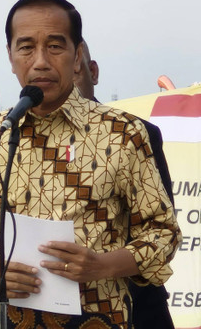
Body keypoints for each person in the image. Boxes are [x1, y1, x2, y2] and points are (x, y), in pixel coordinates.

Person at [0, 0, 181, 328]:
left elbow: (162, 234)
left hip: (100, 318)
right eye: (26, 47)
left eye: (55, 46)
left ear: (78, 55)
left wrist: (103, 265)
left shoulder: (123, 133)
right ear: (10, 57)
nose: (40, 61)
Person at [74, 42, 175, 329]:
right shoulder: (14, 143)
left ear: (93, 72)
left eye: (74, 72)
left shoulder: (137, 135)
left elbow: (162, 232)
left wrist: (101, 264)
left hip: (134, 308)